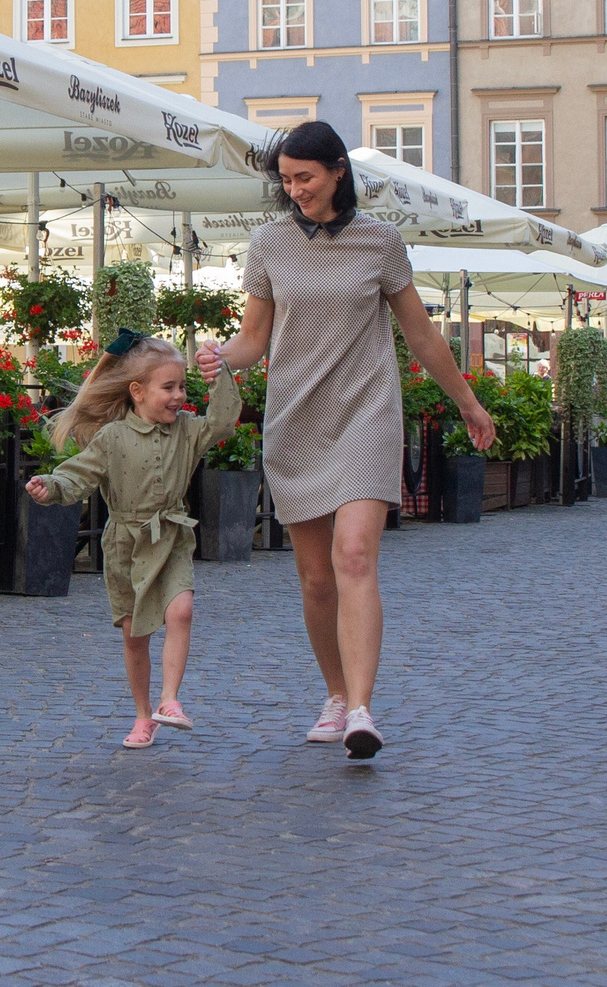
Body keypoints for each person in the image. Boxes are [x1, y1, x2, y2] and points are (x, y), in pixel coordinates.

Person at [198, 121, 494, 760]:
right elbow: (254, 338)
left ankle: (361, 709)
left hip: (367, 412)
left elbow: (420, 336)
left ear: (337, 171)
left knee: (354, 556)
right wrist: (220, 354)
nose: (296, 190)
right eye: (286, 180)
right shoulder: (270, 244)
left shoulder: (380, 242)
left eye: (305, 177)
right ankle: (335, 695)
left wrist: (467, 402)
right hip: (296, 419)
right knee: (314, 579)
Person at [26, 332, 241, 748]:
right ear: (137, 392)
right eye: (169, 387)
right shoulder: (111, 438)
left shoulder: (189, 432)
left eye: (182, 386)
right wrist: (51, 486)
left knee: (181, 611)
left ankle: (170, 701)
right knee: (133, 635)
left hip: (172, 536)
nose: (179, 395)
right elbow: (78, 474)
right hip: (125, 545)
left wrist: (219, 375)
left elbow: (224, 421)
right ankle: (144, 716)